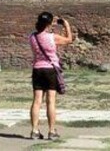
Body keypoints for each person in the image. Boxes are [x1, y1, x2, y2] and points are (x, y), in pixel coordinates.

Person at [29, 12, 73, 141]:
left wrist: (49, 24)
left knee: (37, 101)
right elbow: (69, 39)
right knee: (51, 101)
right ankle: (52, 131)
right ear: (48, 23)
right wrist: (66, 25)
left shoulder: (32, 37)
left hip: (37, 69)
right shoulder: (52, 37)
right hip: (50, 70)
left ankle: (34, 130)